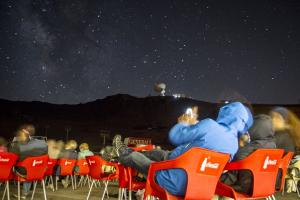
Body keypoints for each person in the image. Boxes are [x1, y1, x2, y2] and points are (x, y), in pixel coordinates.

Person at [110, 102, 253, 196]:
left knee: (136, 158)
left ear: (226, 113)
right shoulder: (233, 145)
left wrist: (183, 123)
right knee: (159, 153)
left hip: (171, 182)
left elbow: (176, 137)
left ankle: (122, 153)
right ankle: (123, 153)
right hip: (201, 189)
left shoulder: (209, 125)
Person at [221, 114, 276, 195]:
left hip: (245, 187)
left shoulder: (248, 150)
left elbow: (232, 175)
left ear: (254, 129)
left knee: (215, 185)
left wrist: (218, 179)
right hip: (266, 186)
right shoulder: (273, 146)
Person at [9, 125, 47, 199]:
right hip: (39, 171)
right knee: (30, 167)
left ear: (24, 132)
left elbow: (11, 159)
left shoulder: (18, 145)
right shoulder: (43, 143)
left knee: (7, 165)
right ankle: (24, 193)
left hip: (23, 172)